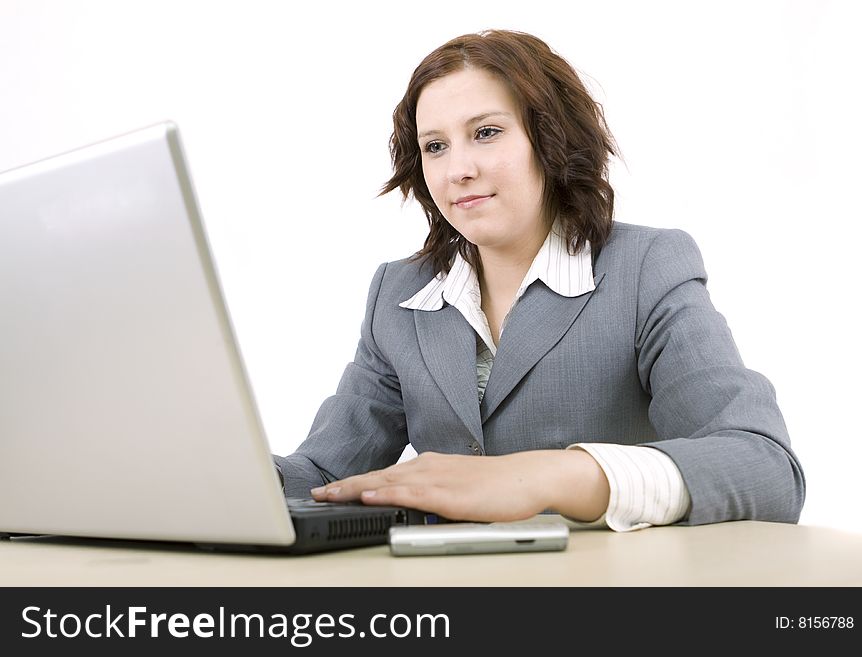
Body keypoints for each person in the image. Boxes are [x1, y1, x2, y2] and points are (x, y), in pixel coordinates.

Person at [273, 29, 805, 531]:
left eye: (486, 133)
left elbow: (766, 467)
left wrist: (549, 477)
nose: (457, 169)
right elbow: (323, 478)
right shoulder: (398, 295)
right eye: (435, 146)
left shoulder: (646, 269)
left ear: (550, 140)